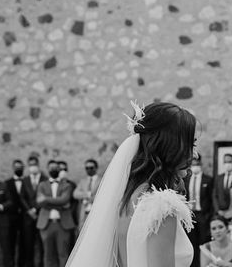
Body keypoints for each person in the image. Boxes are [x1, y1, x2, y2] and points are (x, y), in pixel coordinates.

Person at [65, 101, 196, 267]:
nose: (194, 154)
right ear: (171, 147)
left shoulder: (126, 198)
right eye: (190, 144)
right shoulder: (161, 207)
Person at [36, 159, 76, 267]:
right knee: (48, 255)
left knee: (63, 255)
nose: (54, 169)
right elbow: (39, 202)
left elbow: (65, 200)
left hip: (63, 225)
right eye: (51, 168)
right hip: (46, 224)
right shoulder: (42, 185)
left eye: (56, 168)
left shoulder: (67, 185)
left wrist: (46, 199)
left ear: (59, 169)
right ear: (47, 169)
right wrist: (60, 204)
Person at [185, 153, 214, 267]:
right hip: (189, 216)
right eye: (193, 164)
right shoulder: (186, 179)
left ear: (201, 164)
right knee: (190, 243)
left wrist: (209, 216)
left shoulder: (208, 180)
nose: (195, 166)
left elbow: (212, 199)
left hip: (203, 215)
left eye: (197, 164)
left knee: (203, 242)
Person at [21, 155, 47, 267]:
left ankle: (41, 264)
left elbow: (45, 196)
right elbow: (22, 197)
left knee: (42, 244)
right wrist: (29, 210)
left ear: (38, 165)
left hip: (41, 214)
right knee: (28, 244)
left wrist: (36, 209)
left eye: (34, 165)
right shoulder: (25, 180)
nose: (33, 167)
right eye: (30, 165)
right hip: (28, 217)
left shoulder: (45, 179)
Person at [3, 159, 26, 267]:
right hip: (11, 219)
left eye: (20, 167)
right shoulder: (7, 183)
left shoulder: (27, 181)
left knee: (24, 244)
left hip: (25, 218)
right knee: (10, 244)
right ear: (13, 168)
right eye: (16, 167)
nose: (18, 169)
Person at [72, 159, 102, 235]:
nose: (89, 170)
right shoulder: (83, 181)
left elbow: (104, 194)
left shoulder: (101, 180)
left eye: (91, 167)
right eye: (87, 168)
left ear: (96, 168)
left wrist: (92, 198)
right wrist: (87, 195)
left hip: (97, 212)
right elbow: (75, 194)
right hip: (84, 213)